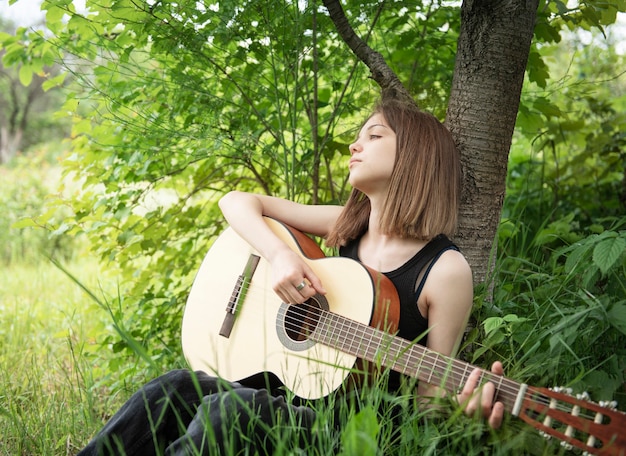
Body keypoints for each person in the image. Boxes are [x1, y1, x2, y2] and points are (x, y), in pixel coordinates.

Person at [78, 98, 504, 455]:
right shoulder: (347, 224)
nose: (354, 145)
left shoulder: (444, 270)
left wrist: (466, 409)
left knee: (227, 411)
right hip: (287, 392)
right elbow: (238, 201)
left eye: (374, 136)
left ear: (416, 155)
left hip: (351, 432)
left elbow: (430, 398)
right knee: (170, 388)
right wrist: (281, 256)